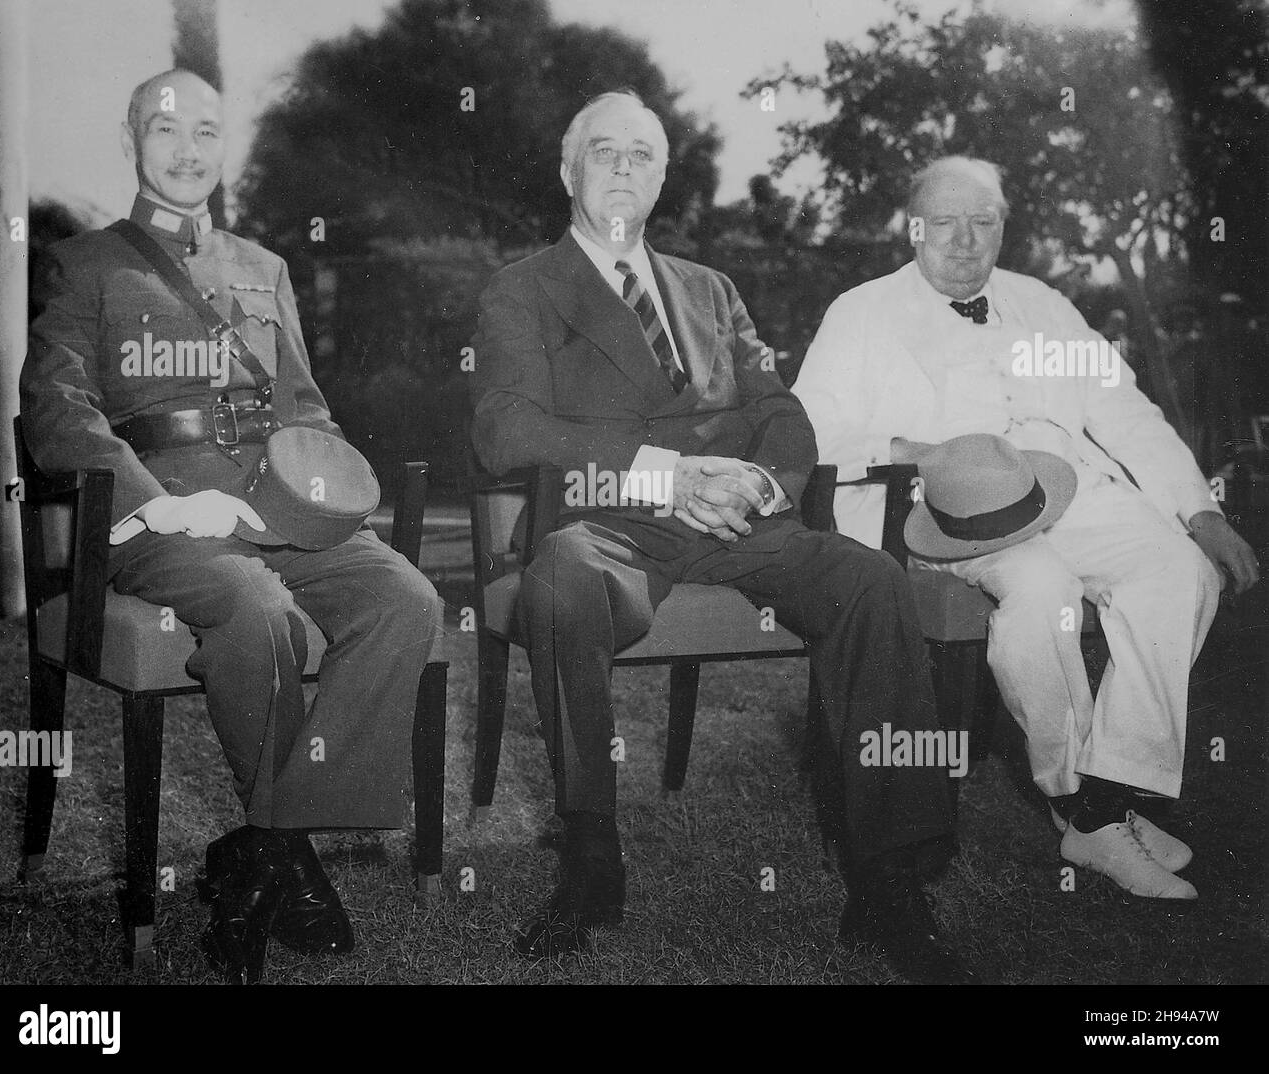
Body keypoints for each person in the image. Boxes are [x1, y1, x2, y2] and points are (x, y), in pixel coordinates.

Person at [470, 91, 968, 982]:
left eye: (642, 156)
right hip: (608, 520)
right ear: (568, 171)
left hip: (736, 520)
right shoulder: (523, 289)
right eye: (604, 152)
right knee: (561, 580)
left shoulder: (710, 289)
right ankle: (590, 858)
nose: (624, 168)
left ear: (663, 179)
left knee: (870, 580)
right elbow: (505, 428)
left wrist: (762, 482)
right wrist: (665, 473)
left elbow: (781, 410)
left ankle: (888, 881)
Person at [20, 69, 441, 983]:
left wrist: (312, 491)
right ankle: (284, 859)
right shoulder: (83, 264)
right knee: (257, 609)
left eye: (207, 132)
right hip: (161, 515)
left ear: (225, 145)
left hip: (271, 502)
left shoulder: (263, 267)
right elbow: (57, 410)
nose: (188, 150)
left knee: (406, 598)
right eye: (166, 130)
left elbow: (305, 410)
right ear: (131, 139)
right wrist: (161, 502)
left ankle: (261, 850)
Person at [793, 156, 1259, 901]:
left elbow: (1126, 412)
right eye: (944, 222)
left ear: (1003, 229)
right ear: (913, 230)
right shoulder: (861, 312)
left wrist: (1200, 511)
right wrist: (914, 450)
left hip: (1064, 490)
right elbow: (809, 431)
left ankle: (1105, 801)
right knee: (1042, 591)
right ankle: (1082, 801)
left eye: (983, 222)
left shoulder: (1044, 304)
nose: (964, 240)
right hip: (943, 512)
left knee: (1181, 570)